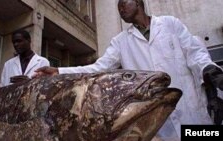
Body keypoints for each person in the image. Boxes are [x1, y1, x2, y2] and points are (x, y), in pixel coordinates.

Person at [33, 0, 223, 140]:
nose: (120, 9)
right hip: (159, 123)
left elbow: (195, 53)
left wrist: (209, 71)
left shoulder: (170, 24)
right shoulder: (121, 41)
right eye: (118, 7)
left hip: (194, 112)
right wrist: (59, 72)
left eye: (123, 4)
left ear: (138, 3)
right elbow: (99, 68)